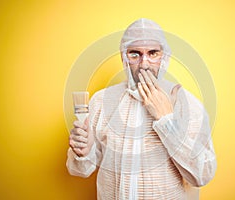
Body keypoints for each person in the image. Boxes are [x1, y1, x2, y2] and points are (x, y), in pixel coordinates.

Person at [66, 18, 217, 200]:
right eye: (135, 54)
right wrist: (84, 152)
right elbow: (80, 170)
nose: (144, 64)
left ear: (165, 58)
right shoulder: (100, 102)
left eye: (153, 53)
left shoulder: (188, 104)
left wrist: (166, 120)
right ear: (124, 57)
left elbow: (203, 174)